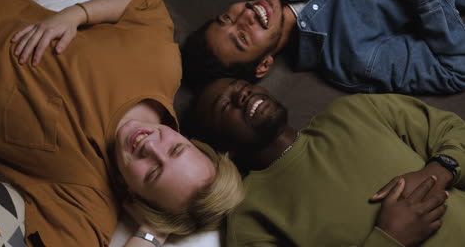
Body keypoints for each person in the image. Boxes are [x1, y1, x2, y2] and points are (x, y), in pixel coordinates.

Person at [0, 0, 243, 246]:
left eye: (152, 173)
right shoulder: (160, 66)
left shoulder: (87, 196)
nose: (150, 146)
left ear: (134, 196)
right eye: (175, 150)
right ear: (191, 142)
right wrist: (76, 14)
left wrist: (151, 231)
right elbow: (146, 6)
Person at [191, 78, 465, 246]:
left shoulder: (354, 110)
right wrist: (391, 239)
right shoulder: (249, 217)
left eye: (243, 85)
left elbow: (453, 131)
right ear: (223, 147)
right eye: (224, 105)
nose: (243, 94)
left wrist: (439, 171)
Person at [182, 0, 465, 94]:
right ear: (263, 65)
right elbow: (456, 71)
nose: (246, 16)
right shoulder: (350, 55)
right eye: (242, 38)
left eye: (227, 18)